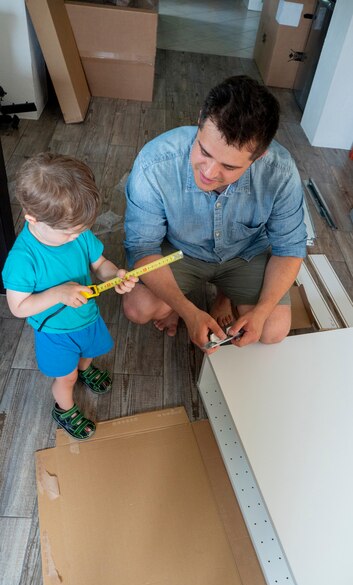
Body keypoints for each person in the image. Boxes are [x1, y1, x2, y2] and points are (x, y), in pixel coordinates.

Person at [123, 74, 307, 350]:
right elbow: (141, 247)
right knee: (139, 308)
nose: (208, 173)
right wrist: (187, 311)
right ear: (200, 121)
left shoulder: (280, 172)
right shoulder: (155, 162)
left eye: (229, 167)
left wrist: (261, 312)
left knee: (273, 330)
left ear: (260, 155)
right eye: (204, 151)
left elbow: (290, 249)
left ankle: (224, 295)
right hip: (179, 250)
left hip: (244, 254)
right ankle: (182, 301)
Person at [2, 154, 137, 440]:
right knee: (66, 377)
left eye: (82, 230)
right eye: (69, 232)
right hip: (55, 333)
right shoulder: (22, 260)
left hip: (87, 318)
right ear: (32, 218)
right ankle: (64, 409)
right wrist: (58, 293)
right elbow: (18, 306)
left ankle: (85, 369)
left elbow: (100, 265)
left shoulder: (77, 232)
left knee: (88, 355)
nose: (77, 237)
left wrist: (115, 276)